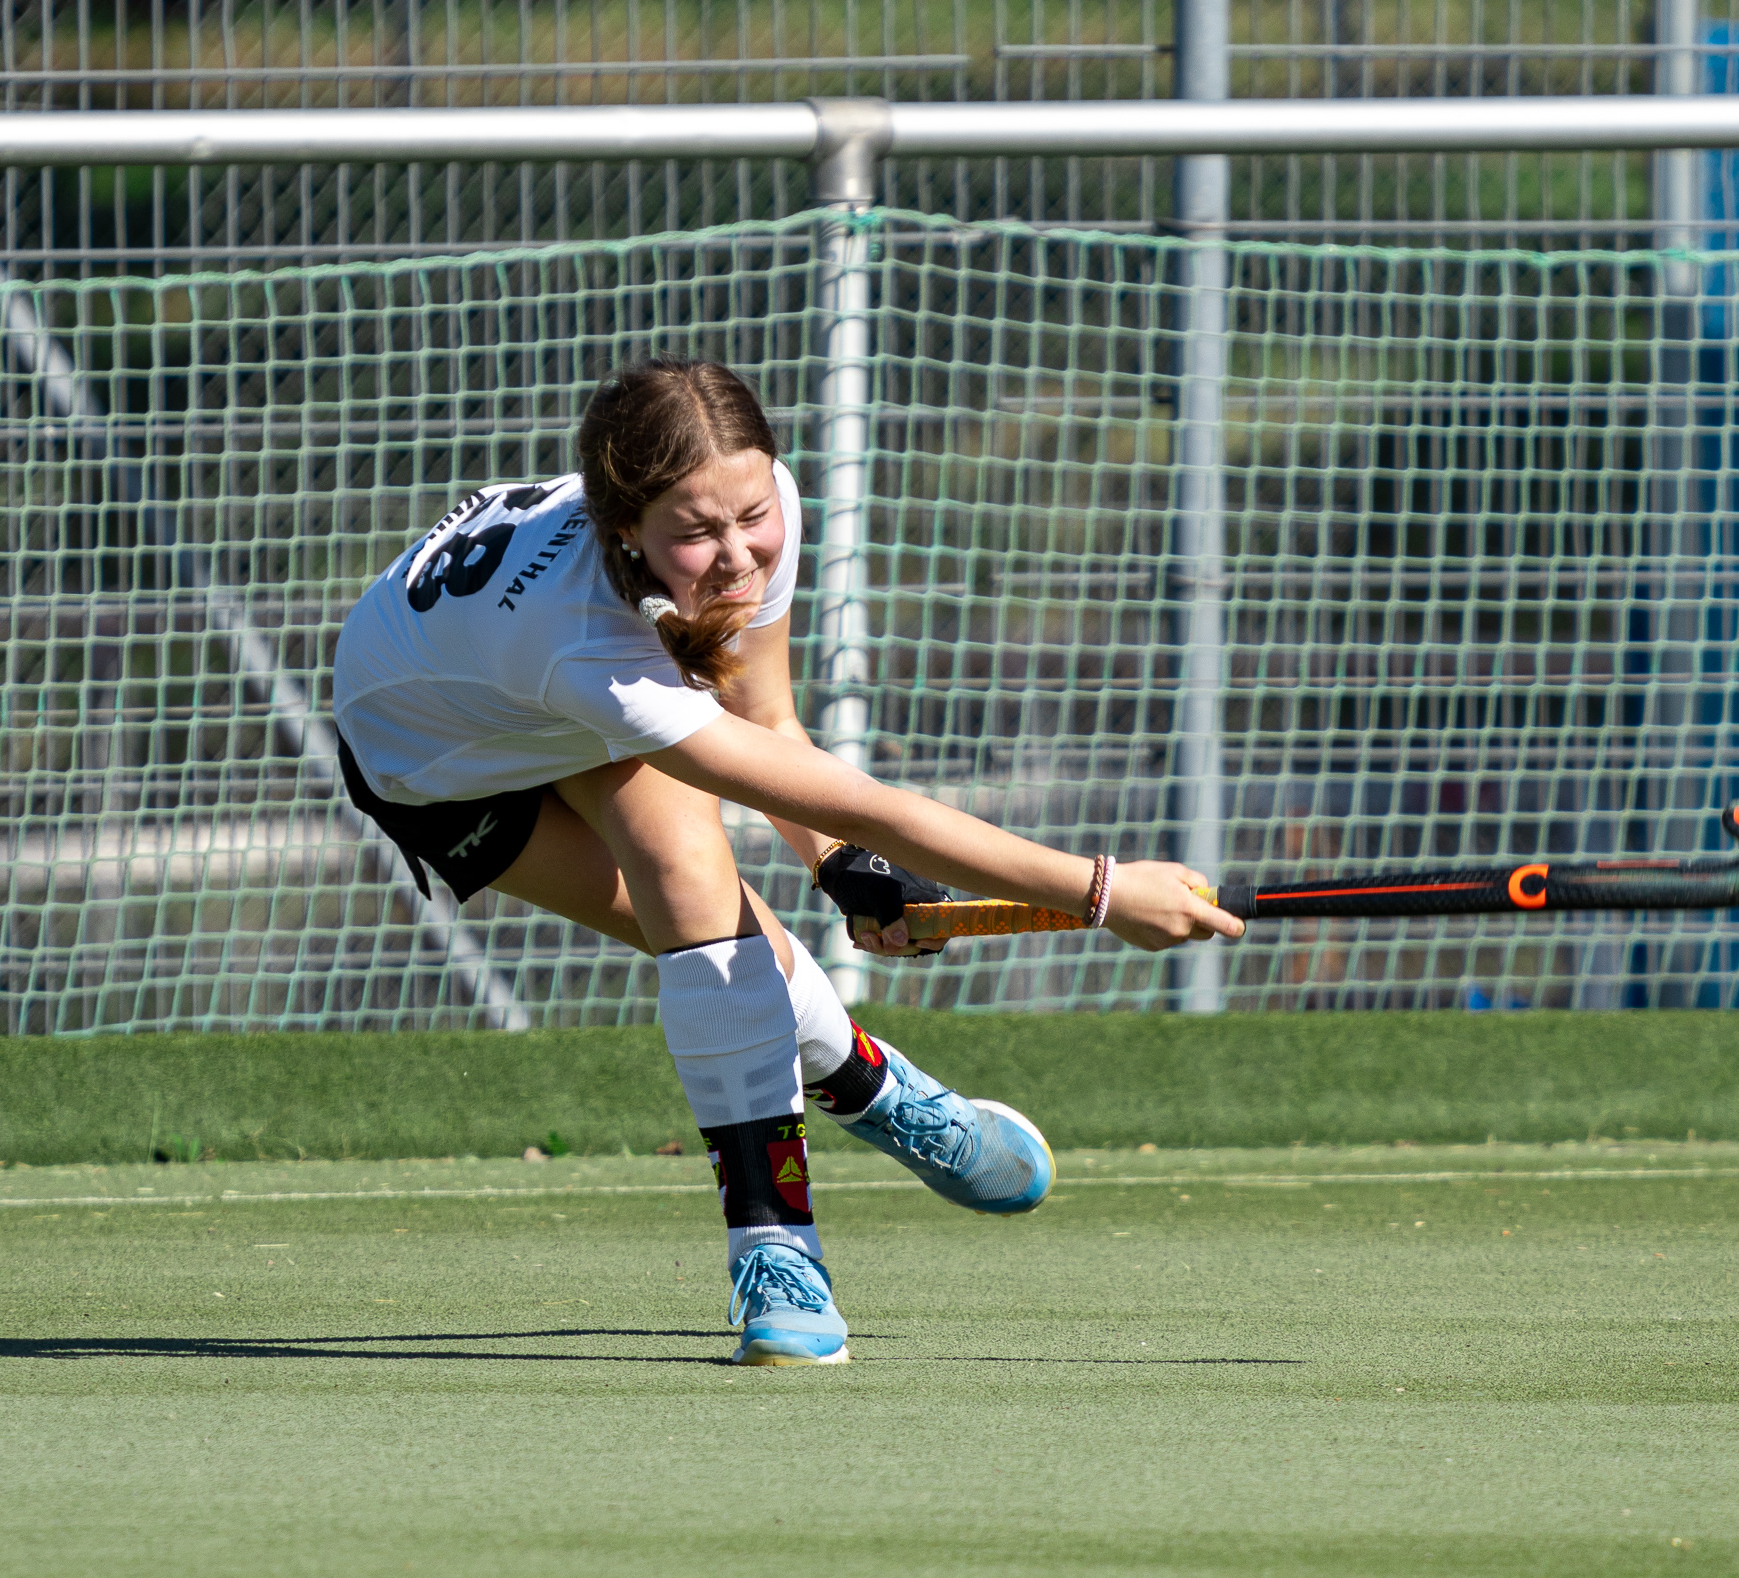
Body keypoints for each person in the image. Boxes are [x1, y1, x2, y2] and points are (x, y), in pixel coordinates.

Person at [331, 358, 1242, 1365]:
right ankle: (879, 1092)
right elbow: (860, 799)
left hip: (542, 697)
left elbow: (768, 723)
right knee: (718, 934)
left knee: (703, 913)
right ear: (624, 525)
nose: (734, 556)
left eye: (748, 514)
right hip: (434, 761)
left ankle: (776, 1251)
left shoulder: (762, 512)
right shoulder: (584, 648)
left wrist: (844, 870)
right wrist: (1102, 891)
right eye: (694, 531)